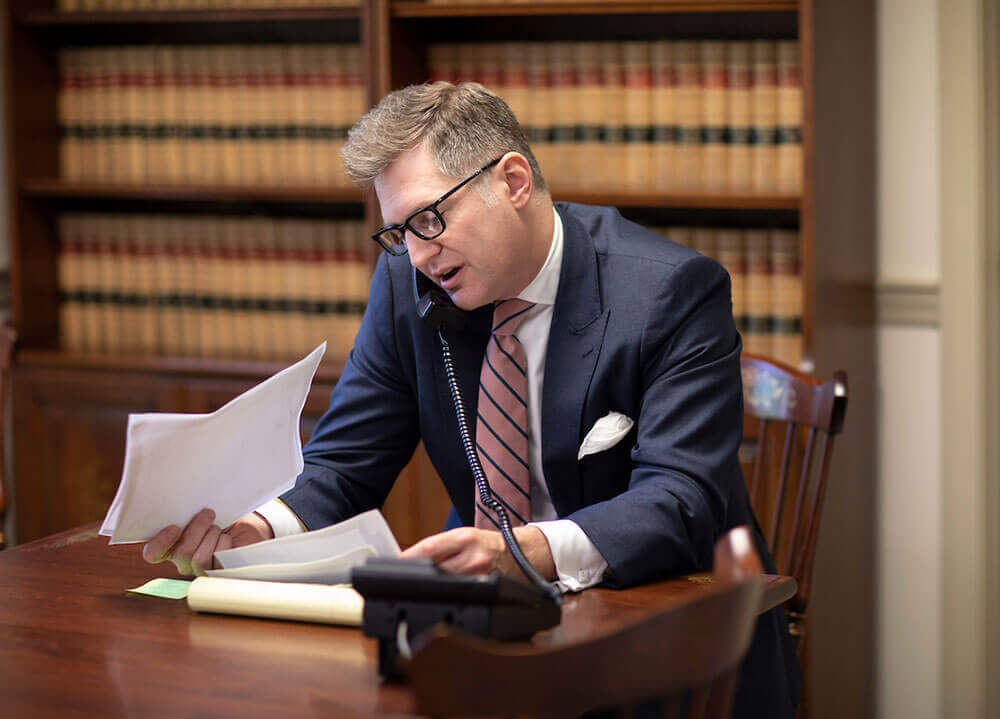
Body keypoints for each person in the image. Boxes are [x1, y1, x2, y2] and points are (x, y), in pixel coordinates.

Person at [142, 81, 799, 716]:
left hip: (666, 648)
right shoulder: (406, 284)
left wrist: (528, 550)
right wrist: (255, 529)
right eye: (399, 232)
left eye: (431, 218)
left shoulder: (670, 293)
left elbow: (682, 499)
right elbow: (345, 463)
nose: (420, 254)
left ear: (513, 181)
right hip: (487, 635)